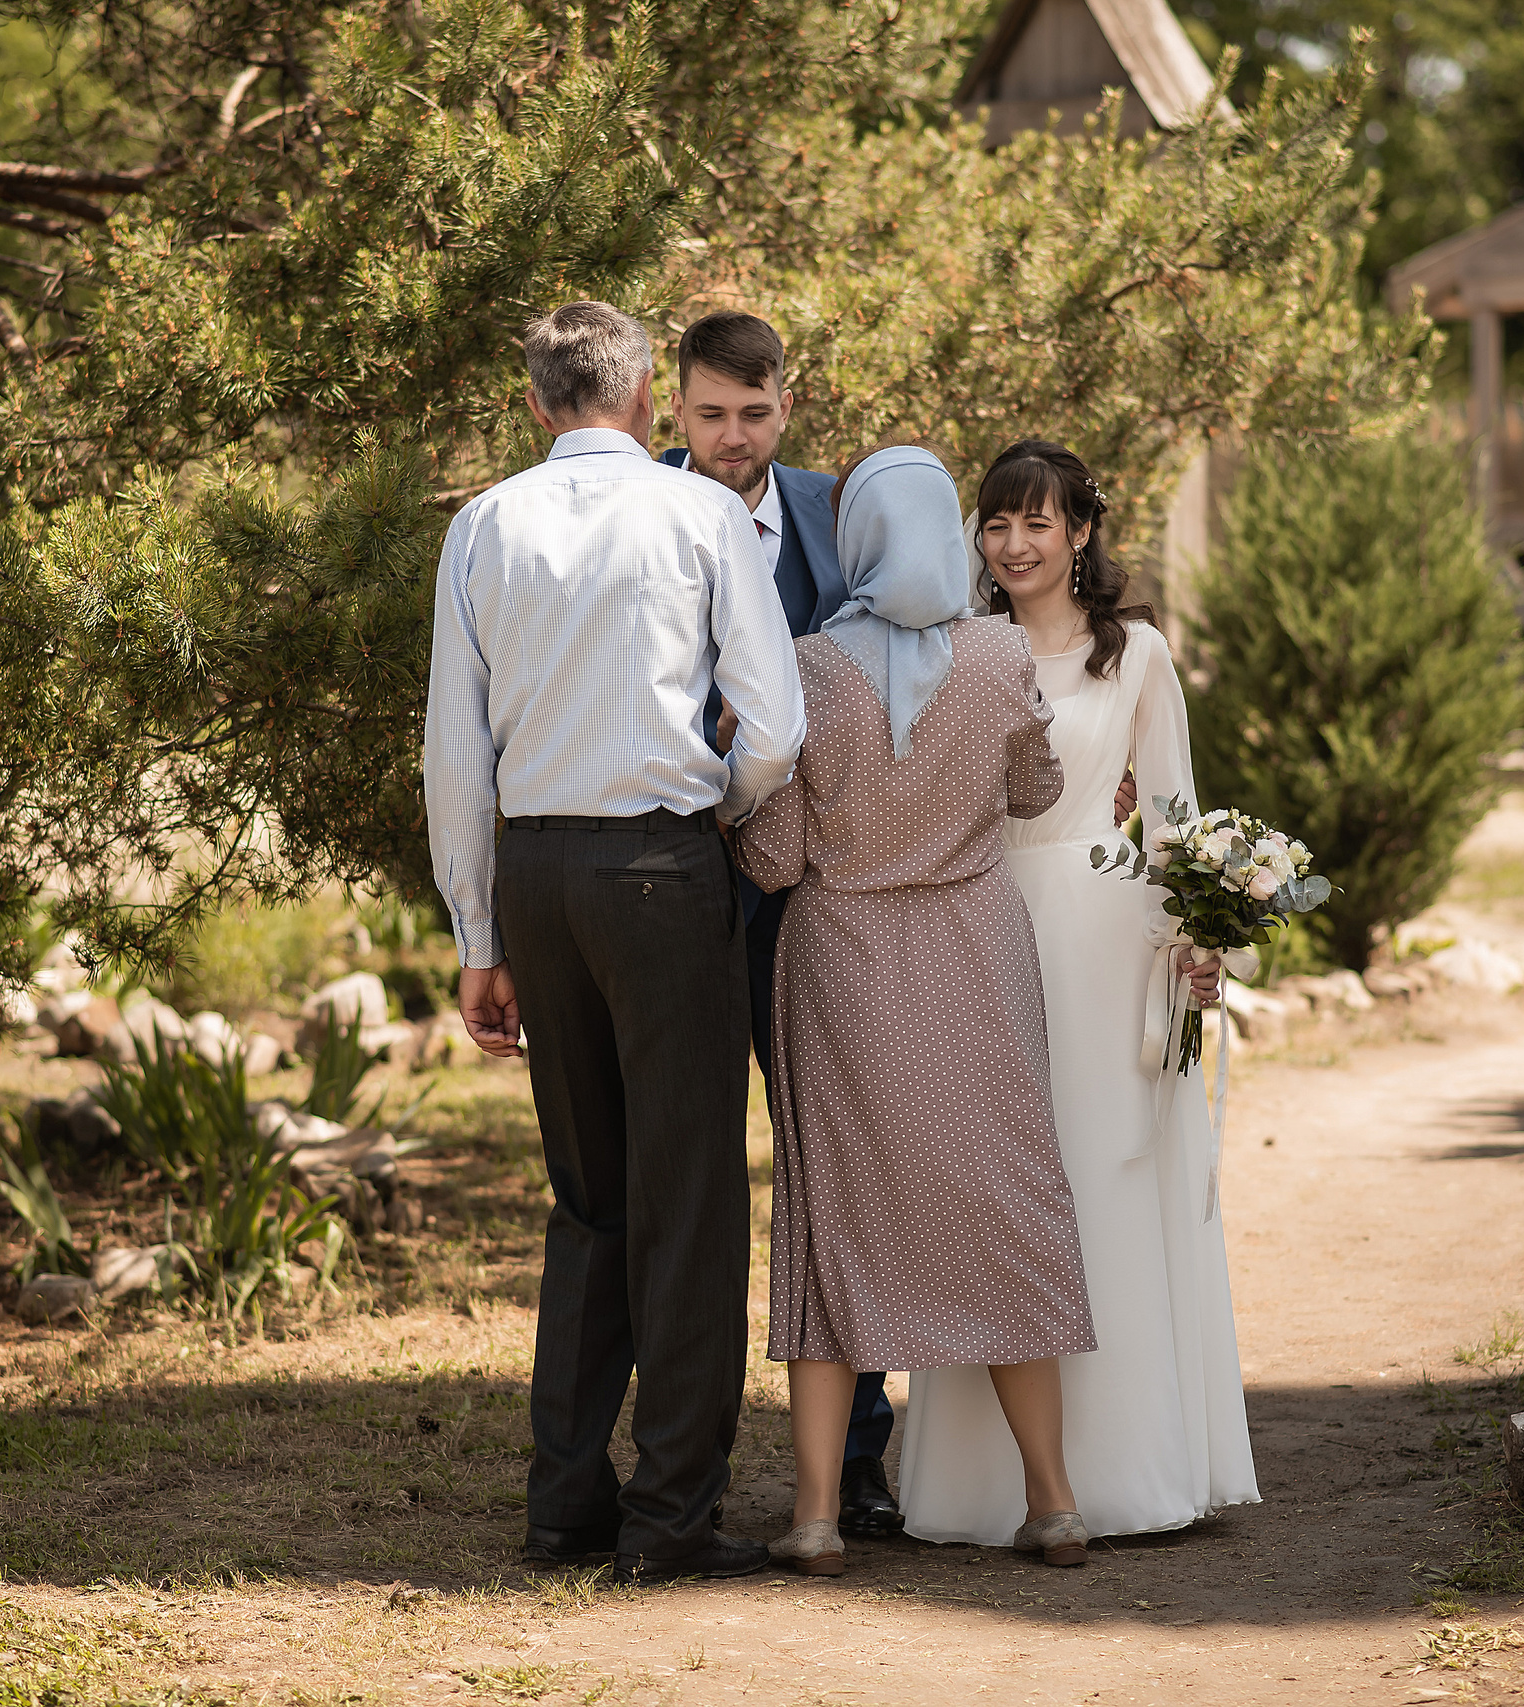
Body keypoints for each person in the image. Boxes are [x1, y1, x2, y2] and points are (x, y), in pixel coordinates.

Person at [423, 300, 805, 1584]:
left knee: (587, 1199)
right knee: (689, 1203)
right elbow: (774, 725)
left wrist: (479, 934)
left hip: (533, 871)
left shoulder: (482, 524)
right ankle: (671, 1522)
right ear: (649, 400)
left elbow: (453, 757)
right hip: (660, 863)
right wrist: (721, 812)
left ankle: (563, 1509)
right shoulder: (698, 516)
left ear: (537, 406)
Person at [732, 443, 1099, 1578]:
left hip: (840, 961)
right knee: (1006, 1202)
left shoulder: (806, 668)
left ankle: (813, 1517)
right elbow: (1033, 789)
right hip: (974, 951)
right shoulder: (995, 653)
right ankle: (1052, 1503)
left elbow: (777, 857)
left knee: (833, 1221)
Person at [898, 439, 1258, 1546]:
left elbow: (1178, 823)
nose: (1013, 546)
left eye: (1037, 524)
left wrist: (1205, 943)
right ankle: (981, 1481)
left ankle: (1127, 1470)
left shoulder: (1137, 653)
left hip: (1109, 936)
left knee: (1106, 1176)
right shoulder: (955, 650)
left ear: (1081, 532)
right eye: (995, 525)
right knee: (998, 1185)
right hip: (978, 924)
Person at [657, 310, 903, 1540]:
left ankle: (859, 1457)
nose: (732, 439)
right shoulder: (636, 512)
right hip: (670, 891)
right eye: (710, 416)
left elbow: (918, 662)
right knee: (688, 1176)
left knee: (840, 1171)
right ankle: (678, 1469)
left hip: (819, 906)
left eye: (754, 415)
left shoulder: (835, 514)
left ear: (785, 408)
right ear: (674, 408)